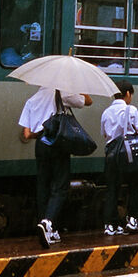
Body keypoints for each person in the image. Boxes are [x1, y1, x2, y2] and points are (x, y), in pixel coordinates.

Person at [19, 87, 93, 247]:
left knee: (43, 186)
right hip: (56, 143)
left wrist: (41, 131)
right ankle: (48, 222)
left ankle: (48, 229)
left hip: (41, 144)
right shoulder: (62, 92)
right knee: (60, 186)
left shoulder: (32, 100)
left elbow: (27, 134)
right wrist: (81, 84)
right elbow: (87, 101)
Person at [101, 80, 138, 235]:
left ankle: (110, 225)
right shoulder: (131, 109)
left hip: (112, 153)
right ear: (128, 94)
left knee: (112, 189)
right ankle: (134, 219)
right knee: (135, 185)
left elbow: (105, 134)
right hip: (129, 154)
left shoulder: (106, 112)